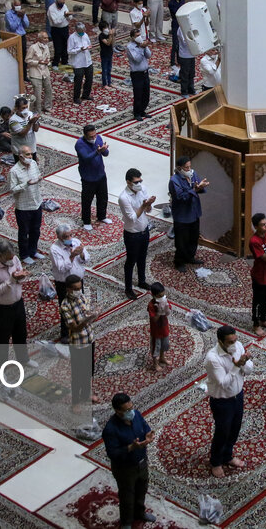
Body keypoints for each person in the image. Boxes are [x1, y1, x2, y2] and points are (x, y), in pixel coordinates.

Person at [0, 241, 35, 384]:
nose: (12, 260)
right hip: (2, 308)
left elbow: (19, 274)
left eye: (13, 257)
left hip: (18, 303)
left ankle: (23, 359)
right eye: (8, 258)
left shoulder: (13, 258)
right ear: (0, 256)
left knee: (21, 333)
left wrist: (22, 275)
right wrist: (12, 279)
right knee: (2, 339)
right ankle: (0, 370)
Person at [205, 325, 253, 478]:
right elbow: (223, 383)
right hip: (222, 401)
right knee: (222, 431)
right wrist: (236, 366)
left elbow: (249, 369)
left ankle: (228, 455)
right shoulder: (213, 358)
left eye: (235, 339)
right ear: (220, 341)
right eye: (230, 341)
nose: (234, 343)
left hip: (238, 396)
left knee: (235, 428)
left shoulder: (238, 346)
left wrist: (245, 362)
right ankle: (216, 461)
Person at [102, 392, 156, 529]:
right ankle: (126, 522)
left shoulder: (136, 415)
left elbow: (145, 427)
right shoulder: (111, 429)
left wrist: (148, 435)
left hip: (142, 462)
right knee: (127, 496)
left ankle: (140, 513)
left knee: (141, 490)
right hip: (125, 469)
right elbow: (112, 453)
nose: (130, 411)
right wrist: (131, 447)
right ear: (117, 411)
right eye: (126, 410)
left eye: (131, 407)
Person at [60, 273, 99, 403]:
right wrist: (86, 321)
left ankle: (87, 393)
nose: (79, 291)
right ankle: (75, 401)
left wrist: (93, 315)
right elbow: (74, 328)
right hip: (77, 343)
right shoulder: (65, 306)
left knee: (89, 370)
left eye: (79, 288)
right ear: (69, 289)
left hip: (89, 339)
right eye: (76, 289)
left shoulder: (82, 297)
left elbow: (88, 314)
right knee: (77, 374)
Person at [118, 168, 155, 299]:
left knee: (142, 257)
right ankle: (128, 288)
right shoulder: (123, 197)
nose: (139, 184)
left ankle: (142, 281)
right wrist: (144, 205)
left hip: (144, 231)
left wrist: (149, 205)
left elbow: (148, 210)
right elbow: (133, 217)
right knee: (131, 260)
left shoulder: (142, 189)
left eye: (140, 181)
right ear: (128, 182)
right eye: (136, 182)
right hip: (132, 234)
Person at [50, 223, 90, 343]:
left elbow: (86, 259)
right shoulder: (54, 249)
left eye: (70, 235)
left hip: (78, 281)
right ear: (59, 238)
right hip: (64, 284)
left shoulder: (76, 242)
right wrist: (72, 256)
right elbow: (62, 268)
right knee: (66, 308)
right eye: (66, 237)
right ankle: (65, 333)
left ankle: (81, 328)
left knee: (79, 305)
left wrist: (81, 253)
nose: (69, 239)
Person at [169, 156, 208, 271]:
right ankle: (179, 261)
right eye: (186, 168)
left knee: (193, 237)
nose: (189, 169)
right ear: (179, 168)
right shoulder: (174, 181)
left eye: (190, 166)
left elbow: (198, 187)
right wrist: (194, 190)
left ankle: (190, 257)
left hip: (194, 212)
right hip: (182, 216)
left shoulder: (192, 174)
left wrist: (201, 186)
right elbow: (181, 197)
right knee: (182, 241)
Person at [9, 146, 45, 265]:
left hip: (36, 203)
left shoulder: (34, 163)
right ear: (20, 156)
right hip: (23, 207)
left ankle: (33, 250)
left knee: (36, 230)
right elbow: (13, 189)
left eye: (31, 154)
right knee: (24, 232)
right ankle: (24, 254)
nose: (30, 157)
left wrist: (39, 179)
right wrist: (26, 184)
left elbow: (37, 175)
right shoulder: (14, 171)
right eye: (28, 155)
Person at [75, 124, 111, 230]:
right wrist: (97, 151)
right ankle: (86, 221)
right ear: (85, 135)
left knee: (103, 198)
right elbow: (86, 158)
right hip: (88, 177)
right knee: (87, 201)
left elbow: (106, 154)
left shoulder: (98, 138)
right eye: (91, 137)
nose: (94, 138)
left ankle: (102, 216)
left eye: (94, 135)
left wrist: (104, 150)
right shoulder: (79, 144)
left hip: (100, 174)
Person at [25, 32, 53, 113]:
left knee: (49, 90)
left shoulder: (46, 47)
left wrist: (48, 62)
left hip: (45, 72)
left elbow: (48, 59)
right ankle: (37, 110)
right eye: (44, 38)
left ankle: (47, 107)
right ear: (39, 38)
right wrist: (38, 62)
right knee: (37, 93)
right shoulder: (33, 48)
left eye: (47, 38)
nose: (46, 39)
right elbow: (27, 60)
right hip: (35, 73)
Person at [127, 35, 152, 121]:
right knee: (138, 94)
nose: (139, 37)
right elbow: (137, 59)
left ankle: (142, 111)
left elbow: (149, 55)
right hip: (136, 74)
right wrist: (141, 48)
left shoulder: (142, 44)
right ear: (133, 37)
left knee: (146, 93)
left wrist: (145, 47)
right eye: (137, 35)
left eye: (139, 35)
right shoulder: (130, 47)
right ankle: (137, 113)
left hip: (145, 73)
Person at [67, 22, 94, 102]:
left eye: (83, 30)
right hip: (78, 63)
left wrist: (88, 47)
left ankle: (86, 95)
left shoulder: (85, 35)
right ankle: (76, 97)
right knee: (78, 80)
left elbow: (88, 43)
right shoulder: (72, 38)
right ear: (76, 30)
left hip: (87, 61)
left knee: (89, 79)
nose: (82, 32)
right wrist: (79, 49)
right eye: (80, 31)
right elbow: (69, 51)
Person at [147, 282, 171, 369]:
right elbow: (154, 319)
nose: (162, 297)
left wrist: (166, 308)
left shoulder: (164, 301)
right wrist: (159, 311)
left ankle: (162, 358)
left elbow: (168, 312)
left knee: (164, 345)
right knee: (156, 348)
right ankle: (155, 363)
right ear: (154, 296)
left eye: (163, 295)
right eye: (160, 296)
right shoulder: (151, 305)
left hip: (164, 328)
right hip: (156, 331)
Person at [47, 0, 73, 69]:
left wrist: (68, 16)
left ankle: (65, 61)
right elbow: (55, 22)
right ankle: (55, 63)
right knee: (58, 47)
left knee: (65, 45)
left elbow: (69, 17)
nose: (63, 4)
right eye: (61, 3)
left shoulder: (64, 6)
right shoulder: (51, 9)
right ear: (56, 2)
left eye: (63, 2)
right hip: (56, 29)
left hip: (65, 28)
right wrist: (64, 16)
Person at [168, 0, 187, 70]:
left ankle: (179, 60)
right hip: (176, 24)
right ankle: (172, 62)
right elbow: (177, 12)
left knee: (181, 43)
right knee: (175, 44)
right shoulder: (171, 3)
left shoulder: (182, 0)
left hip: (182, 24)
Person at [175, 26, 196, 97]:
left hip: (192, 54)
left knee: (191, 73)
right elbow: (185, 42)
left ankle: (191, 89)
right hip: (185, 55)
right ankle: (184, 91)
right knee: (185, 74)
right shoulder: (181, 28)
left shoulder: (190, 26)